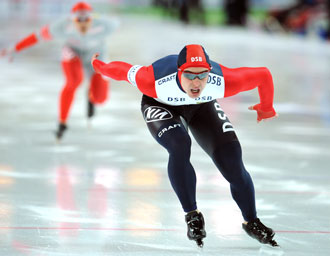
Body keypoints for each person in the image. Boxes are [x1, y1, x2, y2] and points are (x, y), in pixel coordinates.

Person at [91, 44, 278, 247]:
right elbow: (121, 71)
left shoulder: (222, 81)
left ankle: (251, 221)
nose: (196, 82)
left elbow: (264, 75)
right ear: (179, 72)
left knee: (231, 159)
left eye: (202, 75)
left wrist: (266, 107)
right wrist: (100, 66)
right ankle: (192, 215)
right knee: (180, 144)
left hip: (201, 107)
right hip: (160, 104)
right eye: (189, 75)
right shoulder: (152, 80)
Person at [0, 2, 119, 141]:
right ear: (71, 19)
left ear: (92, 18)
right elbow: (36, 37)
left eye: (86, 19)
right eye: (78, 20)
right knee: (73, 82)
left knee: (101, 99)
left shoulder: (106, 25)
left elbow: (119, 22)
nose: (82, 24)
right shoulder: (61, 26)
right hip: (73, 53)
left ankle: (91, 95)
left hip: (96, 56)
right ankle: (62, 122)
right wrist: (14, 49)